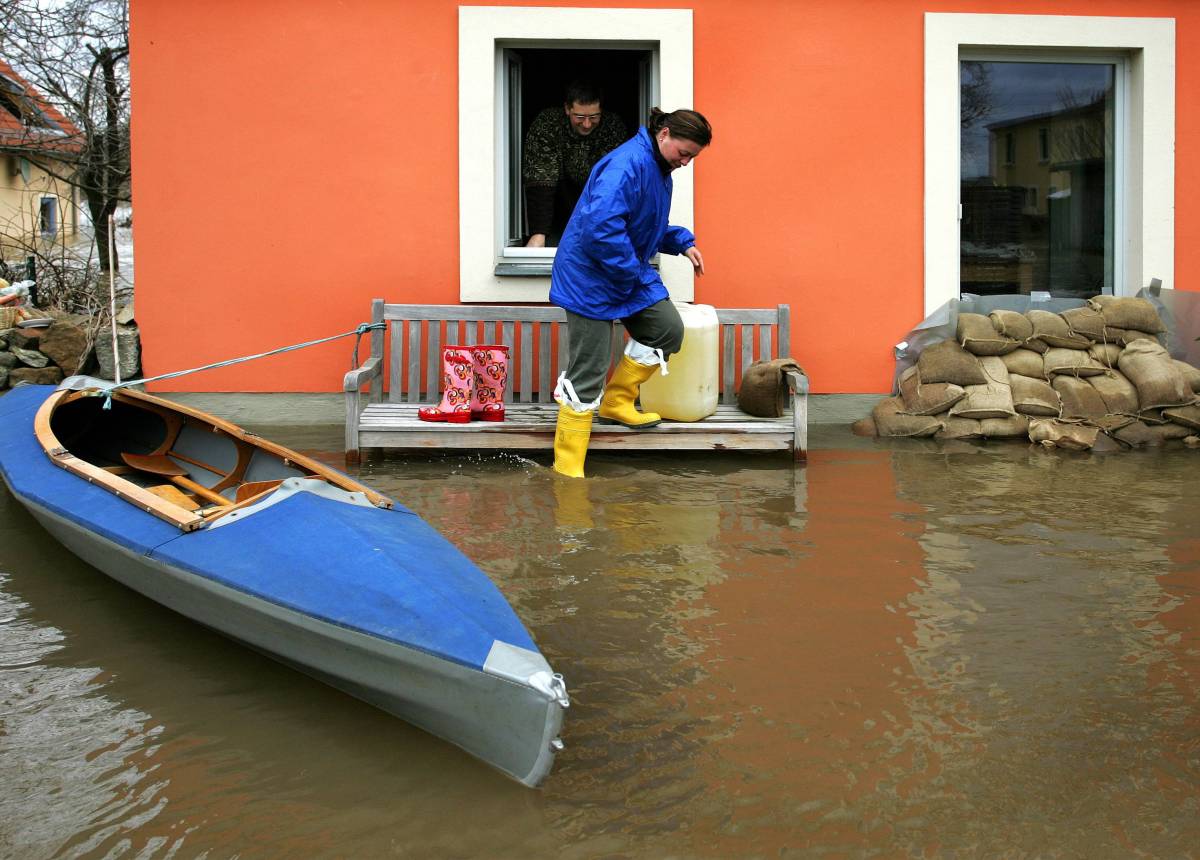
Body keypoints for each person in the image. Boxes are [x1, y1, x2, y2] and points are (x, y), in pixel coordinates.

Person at [548, 107, 712, 478]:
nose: (686, 162)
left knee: (667, 329)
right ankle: (567, 470)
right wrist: (633, 275)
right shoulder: (626, 165)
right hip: (589, 277)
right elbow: (601, 230)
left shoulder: (660, 169)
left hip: (624, 272)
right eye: (684, 153)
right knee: (587, 371)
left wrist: (681, 242)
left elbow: (646, 223)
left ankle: (618, 401)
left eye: (693, 157)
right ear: (664, 134)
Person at [522, 80, 628, 247]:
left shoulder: (613, 127)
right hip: (556, 206)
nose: (587, 124)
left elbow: (614, 183)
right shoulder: (548, 124)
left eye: (594, 117)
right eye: (580, 117)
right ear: (567, 109)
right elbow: (540, 176)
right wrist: (539, 233)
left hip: (599, 208)